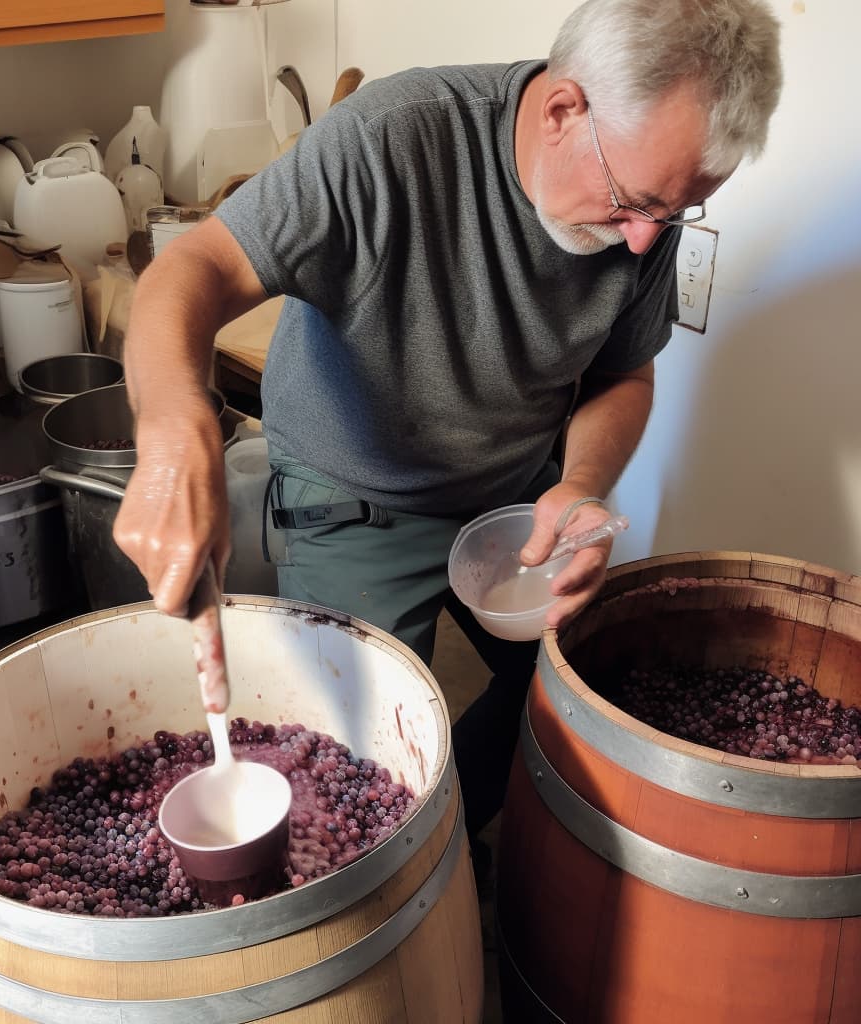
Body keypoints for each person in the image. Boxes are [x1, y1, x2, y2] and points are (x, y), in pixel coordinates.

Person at [113, 0, 783, 848]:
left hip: (512, 491)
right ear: (562, 110)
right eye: (631, 204)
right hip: (354, 490)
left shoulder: (645, 213)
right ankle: (390, 859)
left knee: (588, 691)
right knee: (339, 772)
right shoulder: (395, 139)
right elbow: (192, 265)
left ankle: (439, 849)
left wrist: (578, 486)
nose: (645, 242)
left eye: (676, 213)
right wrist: (175, 431)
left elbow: (624, 373)